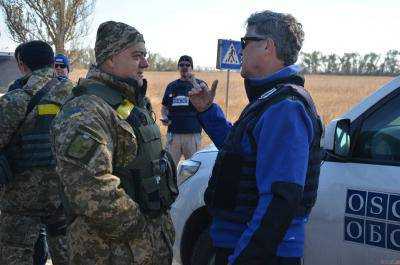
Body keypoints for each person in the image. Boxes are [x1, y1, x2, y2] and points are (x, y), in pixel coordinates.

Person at [189, 10, 323, 265]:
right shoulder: (270, 99)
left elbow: (279, 200)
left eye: (246, 42)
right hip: (238, 243)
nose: (241, 50)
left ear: (268, 47)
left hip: (260, 252)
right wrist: (208, 112)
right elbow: (240, 151)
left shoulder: (286, 108)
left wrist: (244, 258)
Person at [51, 21, 177, 265]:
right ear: (110, 59)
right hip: (112, 252)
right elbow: (91, 189)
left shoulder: (130, 102)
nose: (145, 63)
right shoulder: (86, 111)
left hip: (143, 249)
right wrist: (140, 229)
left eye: (145, 55)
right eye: (136, 56)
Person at [0, 40, 73, 265]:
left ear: (22, 65)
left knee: (15, 254)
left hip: (21, 199)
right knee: (68, 253)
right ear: (52, 62)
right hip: (64, 193)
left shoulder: (14, 100)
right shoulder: (76, 96)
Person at [161, 55, 203, 169]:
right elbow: (164, 107)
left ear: (192, 67)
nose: (184, 67)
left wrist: (193, 81)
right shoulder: (172, 86)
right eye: (181, 65)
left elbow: (206, 103)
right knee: (170, 168)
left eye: (187, 65)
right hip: (173, 134)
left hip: (192, 134)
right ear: (178, 67)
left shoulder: (199, 85)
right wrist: (164, 117)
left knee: (193, 169)